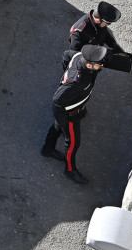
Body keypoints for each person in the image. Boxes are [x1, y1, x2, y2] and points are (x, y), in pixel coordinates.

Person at [42, 44, 108, 185]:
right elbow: (57, 101)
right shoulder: (76, 82)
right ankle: (70, 170)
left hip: (70, 108)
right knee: (72, 143)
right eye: (99, 63)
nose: (102, 65)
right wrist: (64, 121)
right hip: (71, 115)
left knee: (57, 126)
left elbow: (66, 54)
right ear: (89, 65)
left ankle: (48, 149)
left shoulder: (79, 56)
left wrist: (65, 75)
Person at [63, 1, 123, 70]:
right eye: (108, 23)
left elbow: (104, 33)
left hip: (94, 50)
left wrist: (113, 44)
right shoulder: (79, 33)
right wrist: (93, 65)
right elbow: (75, 55)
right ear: (98, 20)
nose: (108, 25)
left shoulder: (99, 22)